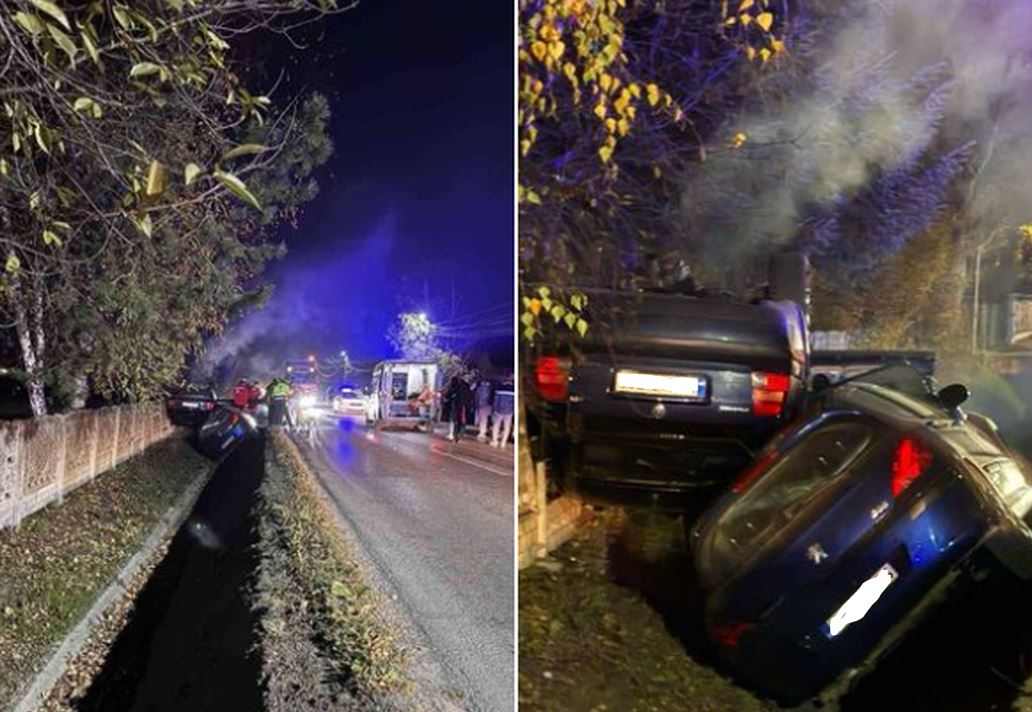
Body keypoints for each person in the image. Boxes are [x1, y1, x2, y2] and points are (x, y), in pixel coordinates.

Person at [442, 375, 473, 442]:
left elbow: (449, 393)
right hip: (463, 406)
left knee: (455, 420)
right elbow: (470, 397)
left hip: (457, 405)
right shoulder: (466, 386)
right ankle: (459, 436)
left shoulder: (456, 386)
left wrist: (446, 397)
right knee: (461, 420)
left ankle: (454, 435)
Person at [491, 378, 514, 448]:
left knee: (496, 425)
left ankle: (495, 441)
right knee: (507, 427)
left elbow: (496, 401)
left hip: (499, 411)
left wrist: (494, 410)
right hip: (509, 411)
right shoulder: (514, 390)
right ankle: (503, 442)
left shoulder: (499, 389)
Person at [474, 377, 496, 442]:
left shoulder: (479, 389)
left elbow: (477, 398)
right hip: (491, 406)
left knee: (483, 420)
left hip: (482, 406)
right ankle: (493, 433)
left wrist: (476, 406)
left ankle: (482, 433)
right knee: (493, 420)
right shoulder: (492, 389)